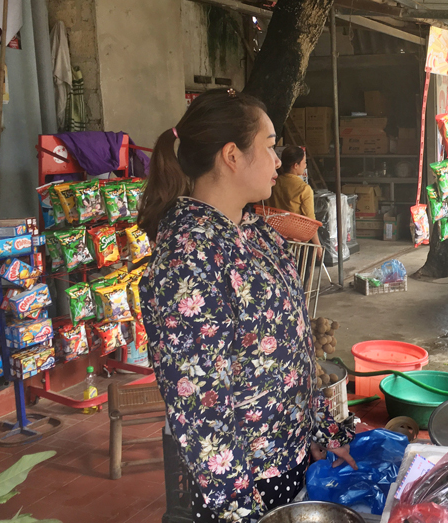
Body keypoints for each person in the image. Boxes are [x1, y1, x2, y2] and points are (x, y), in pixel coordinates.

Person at [137, 88, 356, 523]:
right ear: (232, 155)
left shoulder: (253, 230)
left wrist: (319, 429)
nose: (279, 160)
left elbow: (290, 349)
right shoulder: (187, 262)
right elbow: (201, 413)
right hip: (247, 490)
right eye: (271, 146)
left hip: (291, 459)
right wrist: (241, 513)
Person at [266, 145, 322, 258]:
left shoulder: (273, 184)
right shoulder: (304, 189)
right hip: (297, 242)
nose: (306, 166)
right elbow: (311, 222)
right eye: (304, 162)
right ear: (295, 165)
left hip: (274, 237)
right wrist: (318, 247)